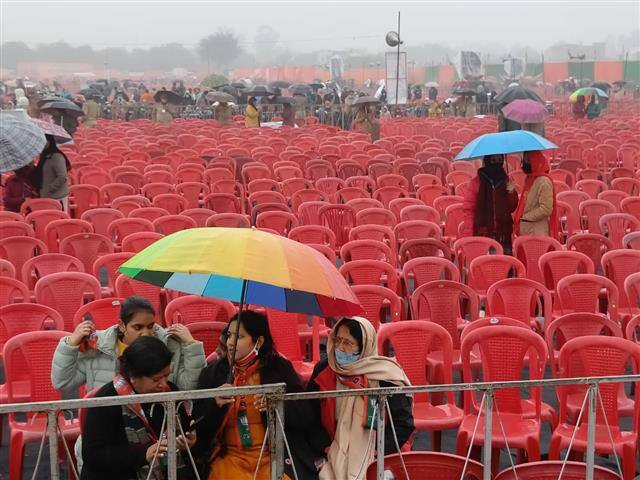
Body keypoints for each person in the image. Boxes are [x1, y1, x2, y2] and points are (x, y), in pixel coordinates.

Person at [193, 311, 314, 479]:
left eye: (239, 337)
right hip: (230, 458)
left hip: (273, 456)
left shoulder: (279, 368)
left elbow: (305, 416)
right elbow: (197, 426)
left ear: (259, 341)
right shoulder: (212, 374)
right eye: (229, 335)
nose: (230, 343)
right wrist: (215, 405)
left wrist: (277, 405)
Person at [306, 317, 414, 480]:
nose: (340, 348)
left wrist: (377, 453)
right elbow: (310, 415)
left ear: (364, 346)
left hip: (380, 452)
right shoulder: (325, 370)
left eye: (348, 343)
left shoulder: (385, 377)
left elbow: (402, 424)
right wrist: (325, 447)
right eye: (338, 340)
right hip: (332, 448)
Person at [81, 336, 197, 480]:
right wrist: (144, 455)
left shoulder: (170, 393)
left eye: (166, 376)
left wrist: (187, 441)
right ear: (133, 376)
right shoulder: (106, 401)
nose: (163, 384)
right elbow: (93, 456)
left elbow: (185, 428)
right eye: (156, 379)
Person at [462, 154, 519, 251]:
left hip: (504, 233)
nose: (497, 163)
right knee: (488, 264)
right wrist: (469, 234)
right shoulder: (476, 183)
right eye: (493, 160)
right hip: (484, 234)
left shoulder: (506, 180)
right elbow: (469, 210)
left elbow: (512, 207)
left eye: (499, 160)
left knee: (506, 263)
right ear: (487, 161)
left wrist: (511, 192)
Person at [513, 151, 558, 238]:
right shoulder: (530, 178)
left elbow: (546, 209)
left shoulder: (544, 181)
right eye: (524, 160)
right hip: (527, 229)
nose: (524, 163)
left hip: (537, 232)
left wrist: (525, 217)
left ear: (535, 161)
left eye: (528, 160)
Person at [32, 134, 70, 212]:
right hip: (46, 196)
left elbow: (62, 177)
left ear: (48, 142)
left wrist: (50, 188)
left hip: (57, 197)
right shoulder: (45, 156)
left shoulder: (57, 157)